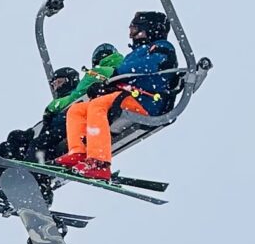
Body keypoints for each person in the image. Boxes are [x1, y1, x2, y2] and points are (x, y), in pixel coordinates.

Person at [52, 13, 183, 181]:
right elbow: (123, 75)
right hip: (127, 96)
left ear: (149, 29)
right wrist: (102, 87)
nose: (131, 35)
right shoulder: (135, 53)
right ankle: (77, 152)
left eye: (135, 30)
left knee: (97, 106)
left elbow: (146, 66)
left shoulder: (161, 47)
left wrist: (117, 73)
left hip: (147, 100)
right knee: (77, 109)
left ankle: (99, 163)